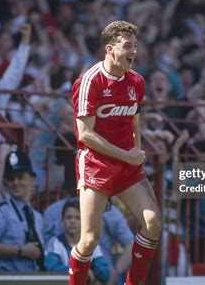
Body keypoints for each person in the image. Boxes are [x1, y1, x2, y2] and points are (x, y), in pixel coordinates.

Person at [70, 20, 161, 285]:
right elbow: (85, 135)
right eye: (127, 46)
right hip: (96, 163)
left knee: (153, 223)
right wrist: (126, 156)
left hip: (127, 164)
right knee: (89, 240)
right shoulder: (89, 81)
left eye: (135, 45)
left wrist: (137, 153)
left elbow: (134, 123)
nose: (134, 51)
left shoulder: (136, 81)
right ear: (110, 49)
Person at [0, 147, 45, 272]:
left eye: (20, 177)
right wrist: (20, 251)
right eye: (11, 179)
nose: (15, 182)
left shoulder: (37, 216)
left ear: (32, 180)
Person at [45, 199, 110, 284]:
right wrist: (81, 271)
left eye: (77, 218)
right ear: (62, 221)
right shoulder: (55, 243)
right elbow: (52, 269)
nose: (72, 221)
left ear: (84, 221)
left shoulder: (91, 243)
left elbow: (105, 274)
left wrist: (90, 270)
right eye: (69, 217)